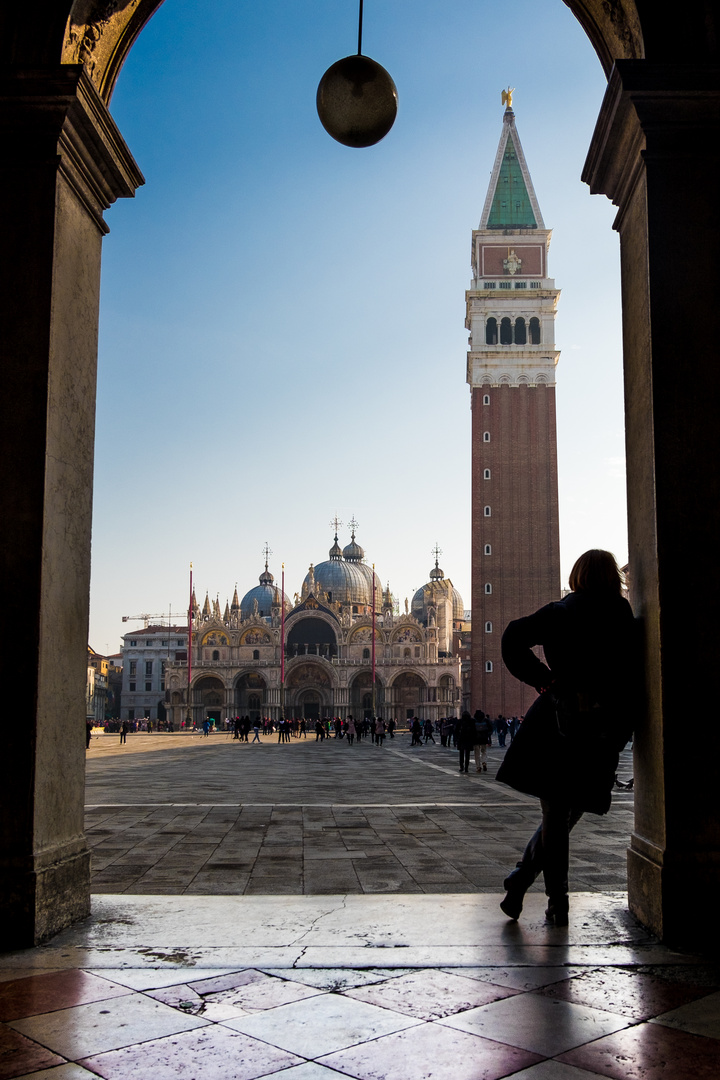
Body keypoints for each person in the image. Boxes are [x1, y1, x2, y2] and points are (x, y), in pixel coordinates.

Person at [497, 549, 638, 926]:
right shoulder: (623, 615)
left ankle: (539, 890)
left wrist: (543, 679)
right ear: (614, 577)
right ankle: (535, 888)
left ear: (577, 575)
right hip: (602, 726)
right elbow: (633, 677)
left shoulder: (561, 611)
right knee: (568, 813)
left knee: (556, 815)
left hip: (558, 723)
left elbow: (511, 637)